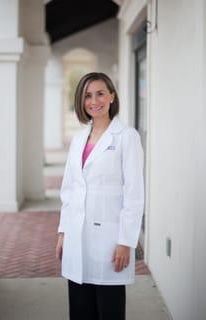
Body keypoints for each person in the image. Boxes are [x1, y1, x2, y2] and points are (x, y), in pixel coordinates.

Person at [55, 72, 144, 320]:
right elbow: (70, 188)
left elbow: (134, 194)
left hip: (109, 239)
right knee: (80, 310)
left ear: (112, 96)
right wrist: (63, 232)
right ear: (81, 102)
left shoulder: (127, 137)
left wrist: (127, 241)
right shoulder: (78, 138)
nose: (94, 101)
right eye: (88, 96)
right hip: (76, 235)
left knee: (109, 311)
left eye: (100, 93)